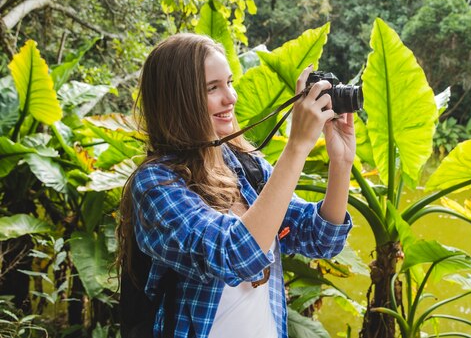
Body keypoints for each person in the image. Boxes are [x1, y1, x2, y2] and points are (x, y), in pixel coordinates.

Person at [116, 33, 355, 338]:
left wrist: (341, 162)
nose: (230, 97)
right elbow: (234, 255)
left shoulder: (243, 164)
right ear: (178, 100)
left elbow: (321, 238)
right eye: (212, 88)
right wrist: (297, 146)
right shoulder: (155, 186)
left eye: (229, 82)